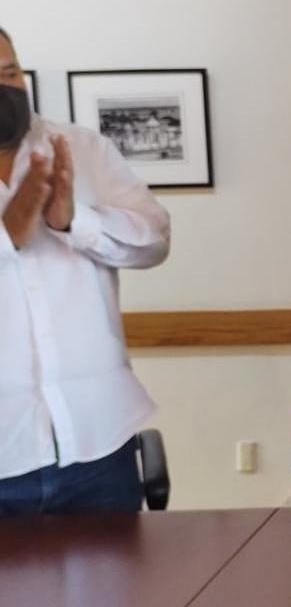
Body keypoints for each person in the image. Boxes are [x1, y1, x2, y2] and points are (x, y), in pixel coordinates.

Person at [0, 27, 171, 516]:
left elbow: (154, 241)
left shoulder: (81, 147)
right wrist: (8, 233)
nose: (5, 88)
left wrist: (75, 222)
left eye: (10, 72)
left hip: (98, 447)